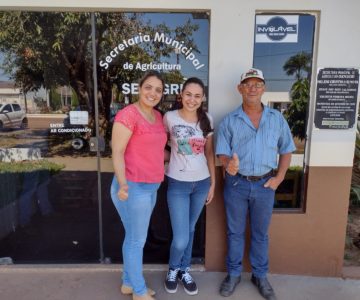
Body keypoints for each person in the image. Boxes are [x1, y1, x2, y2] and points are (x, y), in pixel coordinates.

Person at [216, 68, 296, 300]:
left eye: (257, 84)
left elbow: (287, 149)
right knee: (235, 233)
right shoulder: (230, 120)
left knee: (261, 234)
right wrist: (229, 164)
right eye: (248, 84)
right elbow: (222, 153)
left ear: (264, 88)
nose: (253, 88)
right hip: (236, 185)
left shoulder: (276, 118)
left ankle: (260, 276)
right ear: (239, 89)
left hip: (264, 185)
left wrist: (279, 177)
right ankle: (233, 274)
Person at [110, 71, 167, 300]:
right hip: (132, 187)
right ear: (139, 88)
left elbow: (156, 150)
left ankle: (127, 282)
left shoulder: (158, 117)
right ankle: (140, 291)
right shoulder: (128, 115)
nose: (153, 93)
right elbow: (117, 151)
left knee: (132, 236)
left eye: (158, 90)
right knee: (137, 240)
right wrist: (123, 184)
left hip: (151, 186)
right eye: (148, 87)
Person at [163, 77, 215, 295]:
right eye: (188, 94)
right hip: (177, 184)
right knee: (181, 236)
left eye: (197, 95)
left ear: (202, 98)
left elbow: (209, 153)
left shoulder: (207, 119)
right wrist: (165, 158)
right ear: (181, 95)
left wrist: (213, 183)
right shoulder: (169, 118)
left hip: (201, 183)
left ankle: (184, 269)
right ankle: (173, 268)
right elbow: (160, 144)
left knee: (191, 229)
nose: (192, 99)